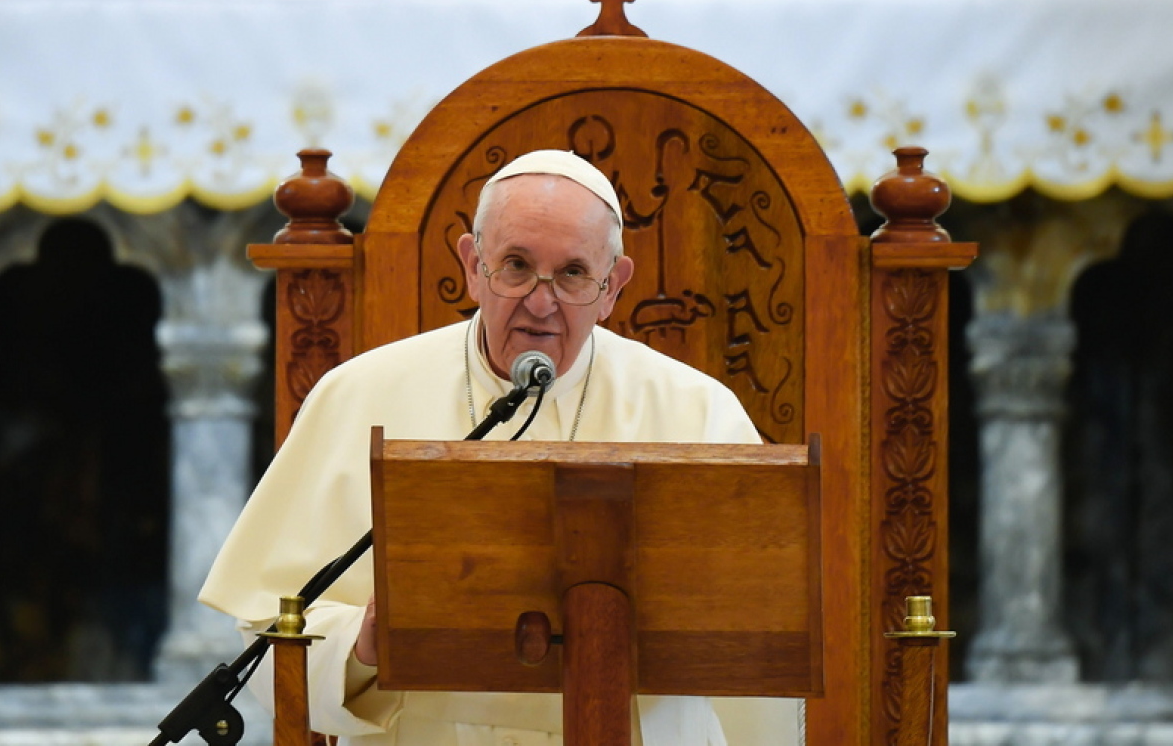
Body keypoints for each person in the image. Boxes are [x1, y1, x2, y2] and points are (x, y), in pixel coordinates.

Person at [200, 149, 796, 746]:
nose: (542, 303)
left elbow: (758, 644)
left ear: (612, 286)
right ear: (471, 264)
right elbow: (273, 628)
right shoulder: (360, 394)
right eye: (516, 265)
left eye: (572, 274)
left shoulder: (695, 411)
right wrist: (364, 644)